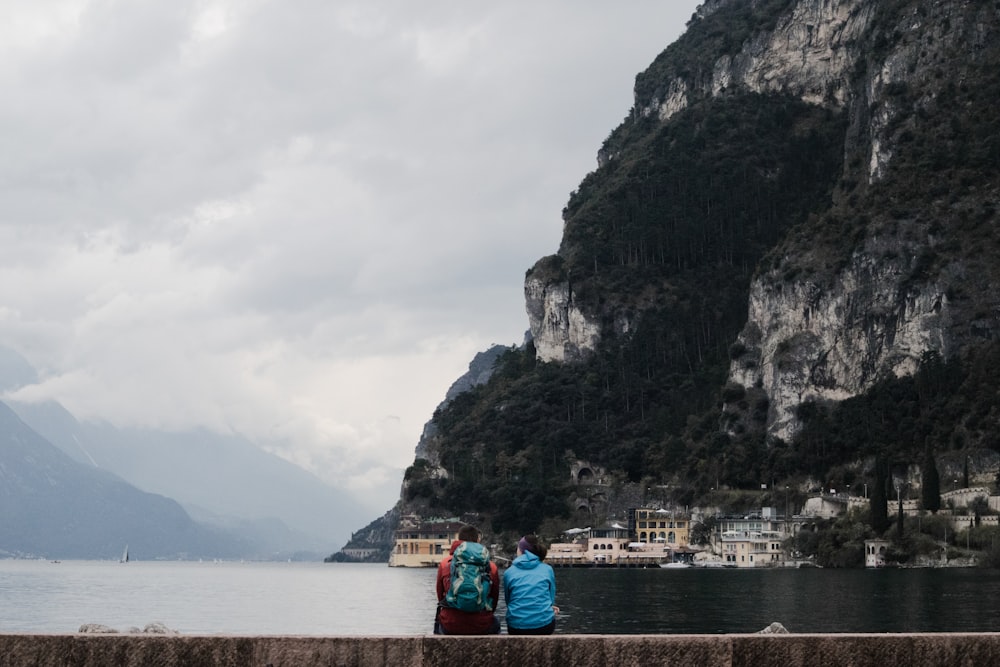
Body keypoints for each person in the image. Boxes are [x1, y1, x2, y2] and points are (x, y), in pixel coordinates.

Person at [434, 524, 501, 634]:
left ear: (459, 539)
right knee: (496, 624)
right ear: (477, 540)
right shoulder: (491, 567)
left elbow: (440, 595)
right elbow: (494, 599)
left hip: (450, 624)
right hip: (481, 624)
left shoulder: (445, 564)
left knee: (439, 621)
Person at [502, 534, 558, 635]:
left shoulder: (509, 572)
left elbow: (509, 600)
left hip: (516, 626)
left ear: (521, 551)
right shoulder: (547, 569)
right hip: (544, 625)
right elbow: (551, 598)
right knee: (549, 616)